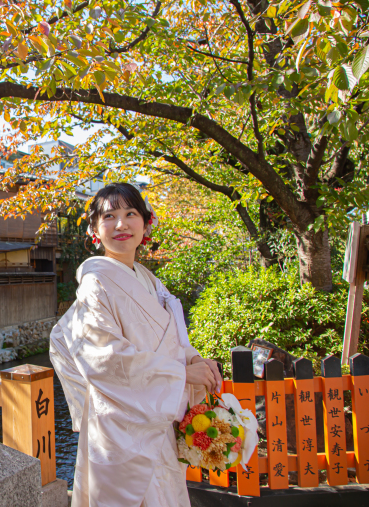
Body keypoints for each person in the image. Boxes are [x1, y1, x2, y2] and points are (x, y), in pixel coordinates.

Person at [49, 183, 223, 507]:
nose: (121, 224)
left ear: (146, 222)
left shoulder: (151, 281)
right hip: (118, 428)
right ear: (94, 230)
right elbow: (102, 359)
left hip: (156, 421)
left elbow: (172, 341)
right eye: (109, 216)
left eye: (130, 214)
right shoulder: (94, 284)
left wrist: (196, 359)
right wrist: (182, 375)